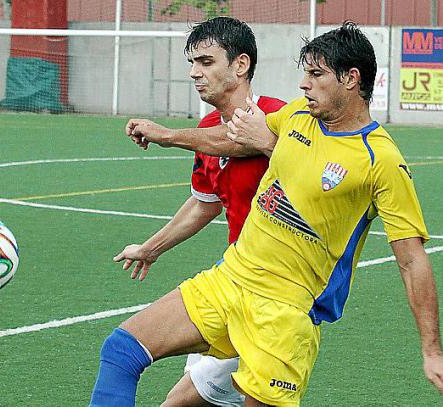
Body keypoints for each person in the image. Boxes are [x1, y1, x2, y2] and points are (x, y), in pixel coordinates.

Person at [90, 22, 443, 406]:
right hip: (230, 278)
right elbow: (236, 138)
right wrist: (169, 137)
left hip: (285, 312)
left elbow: (412, 261)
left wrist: (431, 350)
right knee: (121, 350)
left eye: (316, 74)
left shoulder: (382, 161)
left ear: (350, 79)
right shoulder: (297, 115)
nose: (304, 84)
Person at [112, 17, 285, 407]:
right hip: (234, 281)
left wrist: (168, 135)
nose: (194, 73)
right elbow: (205, 203)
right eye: (192, 63)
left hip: (274, 296)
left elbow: (242, 139)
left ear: (241, 65)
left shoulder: (278, 115)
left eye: (206, 62)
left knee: (173, 398)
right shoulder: (206, 128)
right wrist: (151, 248)